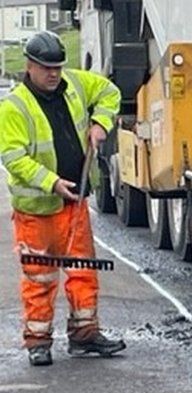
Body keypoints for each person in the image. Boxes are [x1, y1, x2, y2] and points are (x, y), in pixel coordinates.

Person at [0, 31, 124, 367]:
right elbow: (14, 158)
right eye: (46, 68)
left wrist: (100, 122)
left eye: (57, 67)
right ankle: (38, 340)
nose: (53, 74)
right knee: (39, 277)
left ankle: (85, 334)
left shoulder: (75, 84)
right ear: (30, 66)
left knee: (83, 271)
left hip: (75, 203)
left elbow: (110, 92)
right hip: (38, 211)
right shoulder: (14, 107)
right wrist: (52, 183)